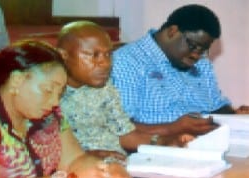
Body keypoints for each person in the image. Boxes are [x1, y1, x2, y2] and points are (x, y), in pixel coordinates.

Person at [0, 40, 130, 178]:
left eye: (59, 93)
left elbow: (74, 161)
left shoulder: (48, 116)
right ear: (17, 81)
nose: (54, 102)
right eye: (48, 90)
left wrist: (105, 169)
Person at [57, 20, 193, 158]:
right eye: (94, 55)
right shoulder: (50, 94)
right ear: (64, 56)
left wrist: (164, 142)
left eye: (108, 54)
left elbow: (124, 134)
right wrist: (85, 156)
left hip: (119, 162)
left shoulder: (104, 87)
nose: (105, 63)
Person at [111, 4, 249, 137]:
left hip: (207, 145)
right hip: (156, 149)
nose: (196, 55)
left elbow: (215, 107)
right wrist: (173, 128)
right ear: (173, 31)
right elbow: (117, 128)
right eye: (193, 46)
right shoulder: (128, 61)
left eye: (202, 50)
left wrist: (236, 115)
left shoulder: (201, 64)